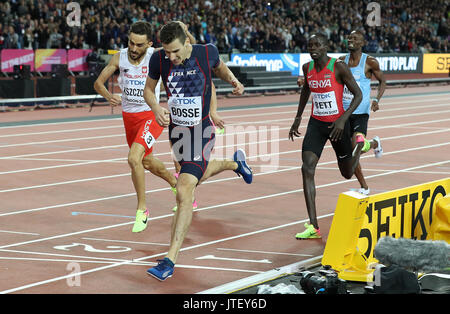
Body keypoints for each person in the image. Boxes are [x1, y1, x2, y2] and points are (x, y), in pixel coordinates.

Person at [143, 21, 252, 281]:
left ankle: (169, 261)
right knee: (195, 178)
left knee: (184, 190)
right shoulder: (159, 60)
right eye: (167, 52)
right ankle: (236, 164)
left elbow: (221, 71)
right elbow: (149, 89)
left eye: (176, 52)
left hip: (202, 131)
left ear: (187, 43)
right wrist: (157, 109)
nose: (172, 57)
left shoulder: (206, 53)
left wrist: (235, 81)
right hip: (177, 134)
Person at [94, 21, 193, 233]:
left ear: (149, 44)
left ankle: (142, 210)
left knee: (133, 158)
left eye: (139, 45)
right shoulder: (119, 57)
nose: (134, 48)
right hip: (129, 118)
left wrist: (185, 31)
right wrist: (108, 96)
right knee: (145, 161)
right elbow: (98, 83)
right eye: (131, 42)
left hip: (151, 115)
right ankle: (176, 184)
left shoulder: (156, 56)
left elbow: (187, 48)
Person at [288, 33, 364, 240]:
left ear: (325, 47)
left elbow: (358, 95)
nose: (313, 48)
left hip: (338, 125)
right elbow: (306, 90)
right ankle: (314, 226)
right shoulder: (307, 68)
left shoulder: (338, 67)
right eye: (310, 45)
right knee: (307, 167)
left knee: (347, 173)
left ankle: (360, 146)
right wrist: (297, 118)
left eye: (317, 45)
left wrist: (343, 119)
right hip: (316, 124)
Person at [339, 30, 386, 195]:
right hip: (344, 113)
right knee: (349, 154)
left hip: (361, 112)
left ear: (362, 43)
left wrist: (377, 100)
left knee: (356, 146)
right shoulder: (341, 61)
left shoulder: (370, 62)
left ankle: (372, 144)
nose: (351, 40)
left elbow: (383, 81)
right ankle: (364, 186)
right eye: (349, 37)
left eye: (355, 38)